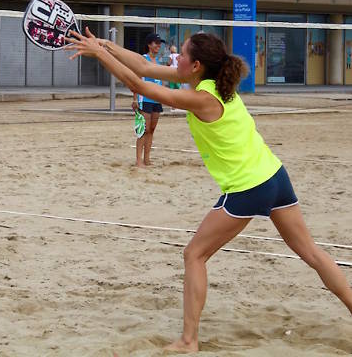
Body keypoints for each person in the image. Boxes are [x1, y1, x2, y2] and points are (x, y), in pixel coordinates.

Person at [66, 29, 352, 353]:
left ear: (196, 64)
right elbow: (144, 68)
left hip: (248, 187)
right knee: (312, 253)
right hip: (275, 176)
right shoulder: (213, 83)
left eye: (183, 54)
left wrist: (99, 55)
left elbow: (139, 86)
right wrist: (104, 44)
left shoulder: (202, 98)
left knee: (194, 254)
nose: (177, 58)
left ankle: (188, 341)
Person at [131, 33, 163, 167]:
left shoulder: (159, 62)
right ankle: (139, 161)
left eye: (159, 43)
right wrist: (135, 99)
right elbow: (135, 79)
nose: (158, 45)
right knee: (143, 130)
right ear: (149, 45)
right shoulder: (143, 59)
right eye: (156, 43)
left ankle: (147, 159)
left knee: (152, 130)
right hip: (145, 99)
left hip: (157, 99)